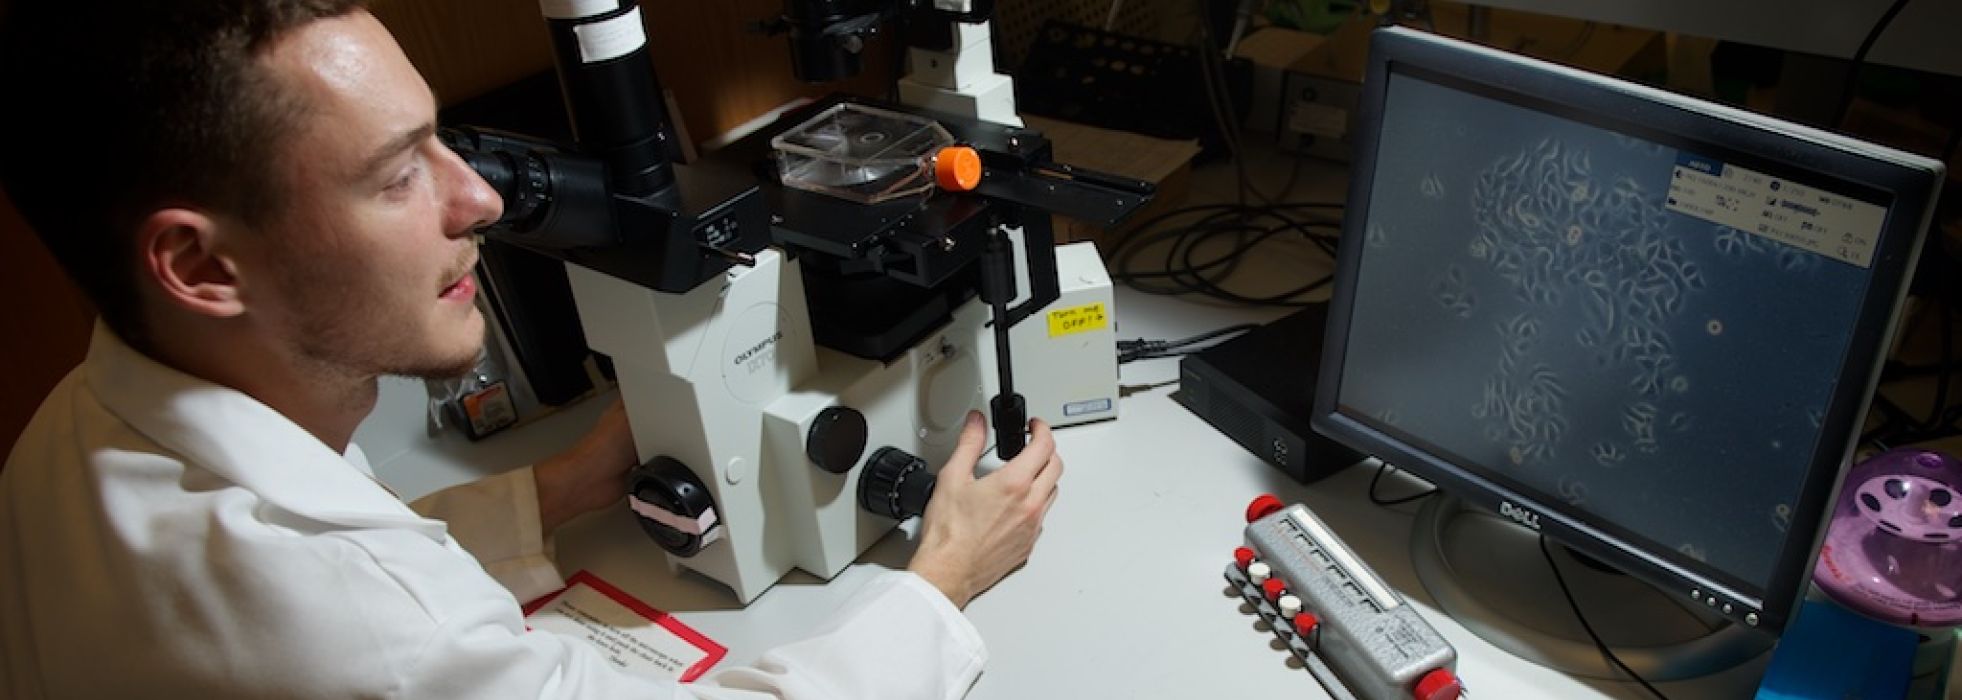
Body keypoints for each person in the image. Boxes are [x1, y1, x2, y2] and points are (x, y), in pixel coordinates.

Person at [0, 2, 1062, 697]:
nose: (482, 198)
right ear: (199, 265)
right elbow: (365, 609)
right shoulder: (369, 633)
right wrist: (944, 577)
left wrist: (551, 488)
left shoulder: (68, 435)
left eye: (440, 141)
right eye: (395, 174)